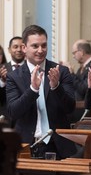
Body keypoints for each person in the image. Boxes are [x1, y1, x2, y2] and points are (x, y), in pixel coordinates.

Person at [6, 25, 77, 159]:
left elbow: (70, 108)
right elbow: (13, 112)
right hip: (27, 145)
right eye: (35, 46)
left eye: (44, 45)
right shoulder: (14, 77)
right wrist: (32, 89)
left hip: (58, 145)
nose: (40, 50)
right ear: (24, 48)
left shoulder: (61, 71)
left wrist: (56, 87)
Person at [0, 37, 25, 125]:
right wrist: (2, 82)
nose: (19, 50)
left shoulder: (33, 68)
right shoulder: (1, 68)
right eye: (15, 47)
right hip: (5, 120)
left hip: (26, 121)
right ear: (9, 50)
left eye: (22, 47)